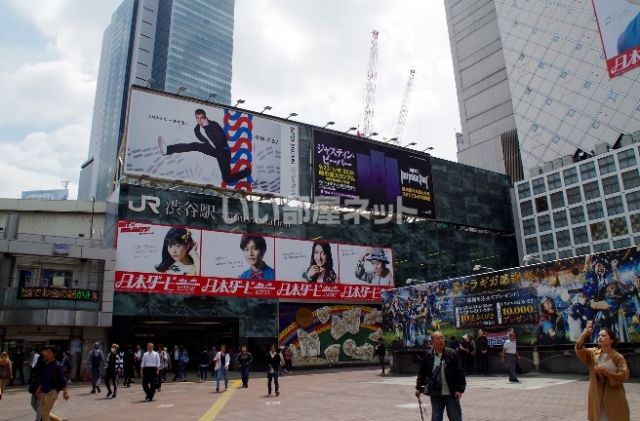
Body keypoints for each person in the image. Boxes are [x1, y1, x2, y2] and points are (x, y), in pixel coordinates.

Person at [158, 108, 251, 184]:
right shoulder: (197, 129)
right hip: (212, 149)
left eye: (201, 117)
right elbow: (203, 140)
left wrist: (208, 127)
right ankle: (167, 150)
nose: (199, 120)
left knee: (227, 179)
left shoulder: (214, 125)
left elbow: (221, 141)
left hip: (223, 152)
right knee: (194, 145)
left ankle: (246, 172)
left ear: (205, 117)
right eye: (197, 118)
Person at [575, 322, 630, 420]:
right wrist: (584, 334)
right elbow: (579, 349)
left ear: (611, 340)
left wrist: (607, 371)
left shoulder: (618, 357)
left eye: (604, 335)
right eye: (599, 335)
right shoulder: (593, 353)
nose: (600, 337)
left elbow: (624, 375)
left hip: (613, 397)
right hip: (596, 397)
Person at [415, 331, 466, 421]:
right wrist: (419, 388)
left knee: (455, 417)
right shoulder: (428, 355)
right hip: (435, 393)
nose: (441, 340)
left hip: (451, 392)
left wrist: (459, 389)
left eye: (442, 338)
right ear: (433, 342)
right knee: (436, 417)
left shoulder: (452, 353)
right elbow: (422, 373)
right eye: (438, 339)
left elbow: (460, 372)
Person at [37, 345, 70, 421]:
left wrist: (65, 392)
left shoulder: (57, 366)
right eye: (46, 352)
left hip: (52, 392)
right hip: (44, 391)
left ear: (54, 354)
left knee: (45, 415)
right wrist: (39, 388)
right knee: (44, 413)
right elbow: (43, 378)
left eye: (49, 352)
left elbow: (63, 380)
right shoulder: (46, 364)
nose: (46, 353)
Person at [28, 351, 45, 421]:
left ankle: (39, 419)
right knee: (33, 403)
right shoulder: (36, 366)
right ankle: (42, 415)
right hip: (35, 386)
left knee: (38, 404)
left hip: (40, 387)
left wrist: (40, 388)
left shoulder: (45, 365)